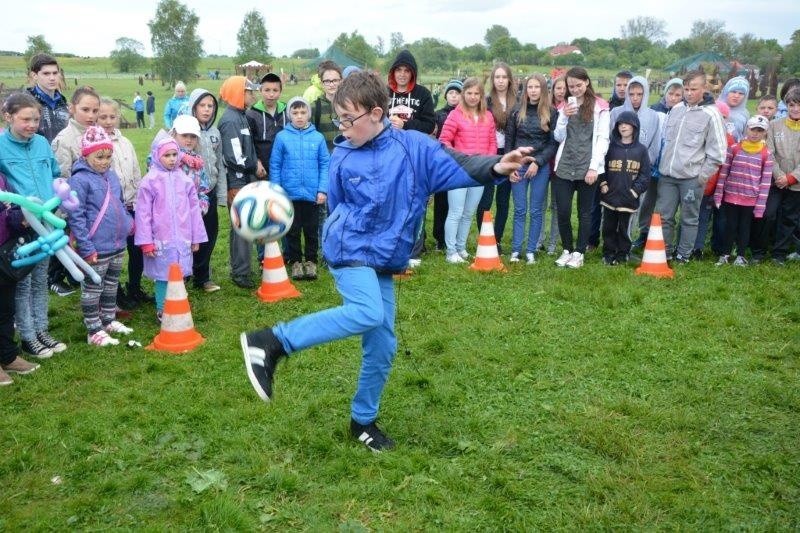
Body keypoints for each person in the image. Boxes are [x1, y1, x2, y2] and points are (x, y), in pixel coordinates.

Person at [239, 70, 530, 452]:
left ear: (376, 113)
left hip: (385, 256)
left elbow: (458, 164)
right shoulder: (342, 153)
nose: (341, 129)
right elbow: (340, 206)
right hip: (348, 249)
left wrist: (495, 167)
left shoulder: (413, 149)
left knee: (383, 345)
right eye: (339, 119)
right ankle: (272, 341)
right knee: (367, 312)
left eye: (348, 119)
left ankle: (362, 421)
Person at [0, 93, 65, 358]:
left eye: (36, 119)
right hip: (21, 225)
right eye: (26, 119)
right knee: (23, 283)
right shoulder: (1, 147)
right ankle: (27, 336)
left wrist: (59, 199)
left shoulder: (41, 143)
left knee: (40, 280)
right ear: (8, 116)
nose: (32, 125)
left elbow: (55, 174)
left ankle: (42, 330)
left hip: (47, 221)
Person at [67, 126, 135, 345]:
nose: (105, 162)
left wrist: (128, 223)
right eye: (99, 157)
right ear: (86, 155)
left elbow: (121, 203)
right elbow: (76, 216)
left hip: (116, 243)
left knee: (111, 284)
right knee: (93, 287)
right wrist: (86, 247)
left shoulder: (112, 176)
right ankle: (93, 329)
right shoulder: (79, 180)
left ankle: (108, 319)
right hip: (95, 246)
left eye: (108, 156)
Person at [656, 70, 727, 263]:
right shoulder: (676, 108)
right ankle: (665, 251)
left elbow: (718, 152)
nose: (689, 93)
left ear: (703, 88)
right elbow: (665, 140)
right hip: (667, 176)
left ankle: (683, 254)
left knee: (689, 218)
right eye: (686, 89)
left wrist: (701, 177)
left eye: (693, 89)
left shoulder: (711, 114)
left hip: (691, 178)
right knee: (664, 217)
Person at [134, 137, 207, 321]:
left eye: (175, 154)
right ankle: (162, 308)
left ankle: (179, 304)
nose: (172, 159)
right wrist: (146, 242)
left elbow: (194, 211)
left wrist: (196, 238)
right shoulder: (149, 181)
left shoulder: (185, 180)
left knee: (179, 274)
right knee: (162, 276)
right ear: (157, 156)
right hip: (161, 240)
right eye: (167, 155)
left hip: (182, 238)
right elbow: (143, 214)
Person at [552, 67, 610, 269]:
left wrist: (594, 168)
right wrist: (564, 117)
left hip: (588, 167)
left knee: (585, 212)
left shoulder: (600, 106)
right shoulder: (564, 106)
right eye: (571, 86)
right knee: (563, 211)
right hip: (565, 166)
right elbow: (558, 137)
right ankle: (567, 249)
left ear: (587, 82)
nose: (575, 89)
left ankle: (579, 252)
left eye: (578, 85)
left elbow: (603, 139)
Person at [270, 97, 330, 280]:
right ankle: (295, 262)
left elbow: (325, 164)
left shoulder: (317, 137)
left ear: (308, 115)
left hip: (312, 195)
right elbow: (275, 164)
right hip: (290, 195)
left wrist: (322, 189)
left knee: (311, 229)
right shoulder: (282, 137)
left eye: (303, 112)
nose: (299, 116)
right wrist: (278, 191)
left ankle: (311, 261)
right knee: (293, 230)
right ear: (289, 115)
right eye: (295, 113)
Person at [49, 86, 101, 296]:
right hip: (73, 205)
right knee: (66, 242)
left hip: (95, 203)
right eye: (85, 109)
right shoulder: (65, 139)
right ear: (72, 108)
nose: (91, 115)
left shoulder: (97, 134)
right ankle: (54, 278)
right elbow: (61, 178)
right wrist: (68, 210)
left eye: (95, 110)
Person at [438, 77, 496, 264]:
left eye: (476, 94)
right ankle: (450, 251)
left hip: (479, 171)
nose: (472, 97)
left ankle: (461, 248)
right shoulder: (455, 115)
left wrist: (487, 162)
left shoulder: (488, 116)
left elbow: (492, 142)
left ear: (481, 96)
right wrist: (457, 159)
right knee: (455, 211)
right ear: (464, 95)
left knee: (468, 212)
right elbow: (444, 141)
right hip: (459, 171)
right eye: (469, 93)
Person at [387, 50, 435, 267]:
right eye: (399, 70)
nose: (403, 74)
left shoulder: (423, 94)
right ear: (393, 72)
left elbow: (430, 125)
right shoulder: (383, 93)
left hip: (415, 155)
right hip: (388, 155)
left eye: (407, 70)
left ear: (412, 73)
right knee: (391, 201)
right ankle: (391, 243)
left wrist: (406, 125)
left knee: (416, 201)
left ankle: (415, 249)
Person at [96, 97, 144, 309]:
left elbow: (135, 171)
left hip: (132, 205)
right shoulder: (95, 145)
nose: (108, 121)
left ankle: (135, 286)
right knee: (113, 254)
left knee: (137, 249)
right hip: (110, 210)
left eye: (112, 116)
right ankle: (114, 295)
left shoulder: (125, 143)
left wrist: (140, 197)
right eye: (102, 117)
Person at [505, 73, 558, 264]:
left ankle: (530, 250)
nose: (533, 91)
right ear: (525, 89)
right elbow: (510, 141)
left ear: (543, 90)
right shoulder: (516, 111)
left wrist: (538, 162)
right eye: (530, 87)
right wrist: (511, 167)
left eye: (537, 87)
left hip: (539, 167)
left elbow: (553, 144)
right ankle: (516, 250)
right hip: (519, 166)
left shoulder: (551, 113)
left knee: (536, 210)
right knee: (520, 209)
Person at [713, 115, 773, 266]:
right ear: (747, 129)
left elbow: (765, 183)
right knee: (730, 225)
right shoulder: (734, 149)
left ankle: (741, 255)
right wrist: (719, 194)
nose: (755, 133)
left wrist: (760, 207)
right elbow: (724, 173)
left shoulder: (767, 154)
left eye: (760, 131)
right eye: (753, 129)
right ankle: (725, 254)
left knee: (744, 227)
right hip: (731, 196)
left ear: (765, 133)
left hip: (750, 199)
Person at [609, 76, 663, 246]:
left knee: (633, 206)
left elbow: (654, 144)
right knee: (612, 206)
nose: (635, 98)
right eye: (631, 94)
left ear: (645, 94)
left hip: (638, 171)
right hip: (616, 170)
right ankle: (610, 242)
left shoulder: (653, 116)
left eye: (639, 94)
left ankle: (626, 242)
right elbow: (610, 140)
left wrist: (645, 167)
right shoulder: (616, 113)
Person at [218, 76, 261, 288]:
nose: (252, 94)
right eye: (249, 91)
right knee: (241, 227)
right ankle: (241, 273)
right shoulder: (231, 120)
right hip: (236, 182)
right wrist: (254, 166)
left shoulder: (240, 116)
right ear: (237, 93)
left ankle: (242, 269)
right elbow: (235, 157)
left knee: (244, 226)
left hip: (244, 179)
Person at [0, 172, 41, 385]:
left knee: (6, 309)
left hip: (4, 253)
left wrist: (21, 219)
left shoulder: (1, 178)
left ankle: (7, 356)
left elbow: (12, 207)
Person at [184, 88, 226, 293]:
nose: (207, 110)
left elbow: (220, 163)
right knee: (186, 236)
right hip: (186, 196)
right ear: (193, 106)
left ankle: (203, 277)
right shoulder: (185, 131)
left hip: (208, 193)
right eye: (202, 105)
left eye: (211, 106)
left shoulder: (215, 132)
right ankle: (183, 274)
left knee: (208, 234)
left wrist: (221, 194)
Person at [599, 111, 651, 265]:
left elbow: (645, 175)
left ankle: (623, 253)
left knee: (624, 229)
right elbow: (601, 167)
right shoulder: (610, 147)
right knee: (608, 228)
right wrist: (603, 184)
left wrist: (634, 191)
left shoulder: (641, 150)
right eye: (620, 124)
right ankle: (608, 253)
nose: (623, 127)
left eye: (627, 124)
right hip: (609, 197)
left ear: (635, 127)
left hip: (628, 200)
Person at [477, 63, 518, 251]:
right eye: (497, 77)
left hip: (508, 154)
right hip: (488, 155)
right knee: (485, 200)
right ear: (493, 80)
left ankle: (497, 239)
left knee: (503, 200)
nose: (500, 81)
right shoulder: (485, 101)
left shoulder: (517, 102)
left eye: (504, 77)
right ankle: (483, 236)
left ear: (509, 79)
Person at [765, 88, 800, 265]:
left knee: (789, 218)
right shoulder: (774, 125)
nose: (795, 109)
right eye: (792, 105)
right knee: (768, 214)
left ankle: (779, 253)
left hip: (796, 185)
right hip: (776, 182)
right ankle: (760, 249)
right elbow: (769, 152)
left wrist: (792, 177)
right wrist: (779, 176)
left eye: (799, 105)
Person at [432, 79, 462, 251]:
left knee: (456, 204)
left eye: (457, 93)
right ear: (446, 95)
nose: (454, 96)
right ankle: (440, 237)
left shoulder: (464, 114)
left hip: (459, 163)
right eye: (451, 93)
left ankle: (455, 236)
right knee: (441, 202)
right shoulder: (438, 115)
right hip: (443, 163)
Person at [539, 75, 567, 256]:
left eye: (564, 88)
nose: (561, 91)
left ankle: (553, 243)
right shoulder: (544, 108)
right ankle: (539, 238)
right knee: (540, 203)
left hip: (561, 163)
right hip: (544, 161)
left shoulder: (570, 109)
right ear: (552, 90)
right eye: (558, 88)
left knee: (558, 205)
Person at [246, 73, 286, 180]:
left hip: (284, 167)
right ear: (260, 91)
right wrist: (257, 162)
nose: (271, 94)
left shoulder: (287, 111)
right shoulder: (251, 114)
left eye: (275, 90)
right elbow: (249, 142)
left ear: (280, 91)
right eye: (267, 90)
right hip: (262, 169)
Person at [26, 53, 69, 143]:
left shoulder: (64, 103)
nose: (52, 78)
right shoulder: (25, 103)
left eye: (55, 73)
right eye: (46, 74)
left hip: (62, 155)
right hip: (37, 155)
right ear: (34, 76)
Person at [718, 76, 750, 141]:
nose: (736, 96)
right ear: (726, 92)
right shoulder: (715, 108)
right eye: (733, 92)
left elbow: (746, 136)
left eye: (741, 93)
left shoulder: (745, 114)